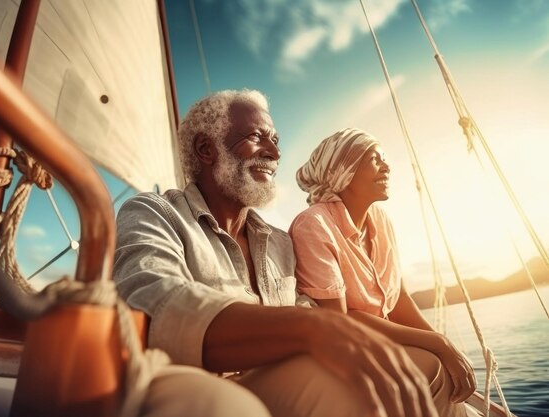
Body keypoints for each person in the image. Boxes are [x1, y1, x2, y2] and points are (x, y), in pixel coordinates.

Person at [114, 89, 439, 417]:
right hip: (199, 395)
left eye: (276, 140)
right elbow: (152, 302)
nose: (273, 152)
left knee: (426, 367)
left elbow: (307, 309)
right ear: (206, 149)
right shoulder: (153, 213)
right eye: (257, 137)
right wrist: (309, 328)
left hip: (275, 383)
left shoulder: (280, 243)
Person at [289, 128, 476, 417]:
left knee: (444, 370)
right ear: (345, 170)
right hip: (342, 352)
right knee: (433, 366)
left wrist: (445, 344)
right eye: (375, 159)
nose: (387, 166)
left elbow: (397, 297)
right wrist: (438, 344)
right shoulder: (313, 225)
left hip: (383, 344)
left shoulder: (381, 220)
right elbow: (339, 319)